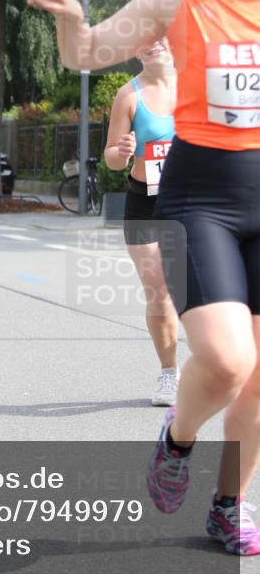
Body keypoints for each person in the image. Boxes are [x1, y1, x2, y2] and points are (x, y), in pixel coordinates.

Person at [27, 0, 260, 555]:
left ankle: (228, 504)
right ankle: (176, 439)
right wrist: (71, 17)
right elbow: (89, 52)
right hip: (200, 198)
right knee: (224, 361)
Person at [104, 38, 180, 405]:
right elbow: (111, 159)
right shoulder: (128, 96)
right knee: (160, 289)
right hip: (144, 203)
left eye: (160, 38)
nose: (153, 45)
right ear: (135, 51)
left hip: (194, 202)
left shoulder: (196, 87)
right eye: (144, 42)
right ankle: (169, 372)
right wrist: (120, 152)